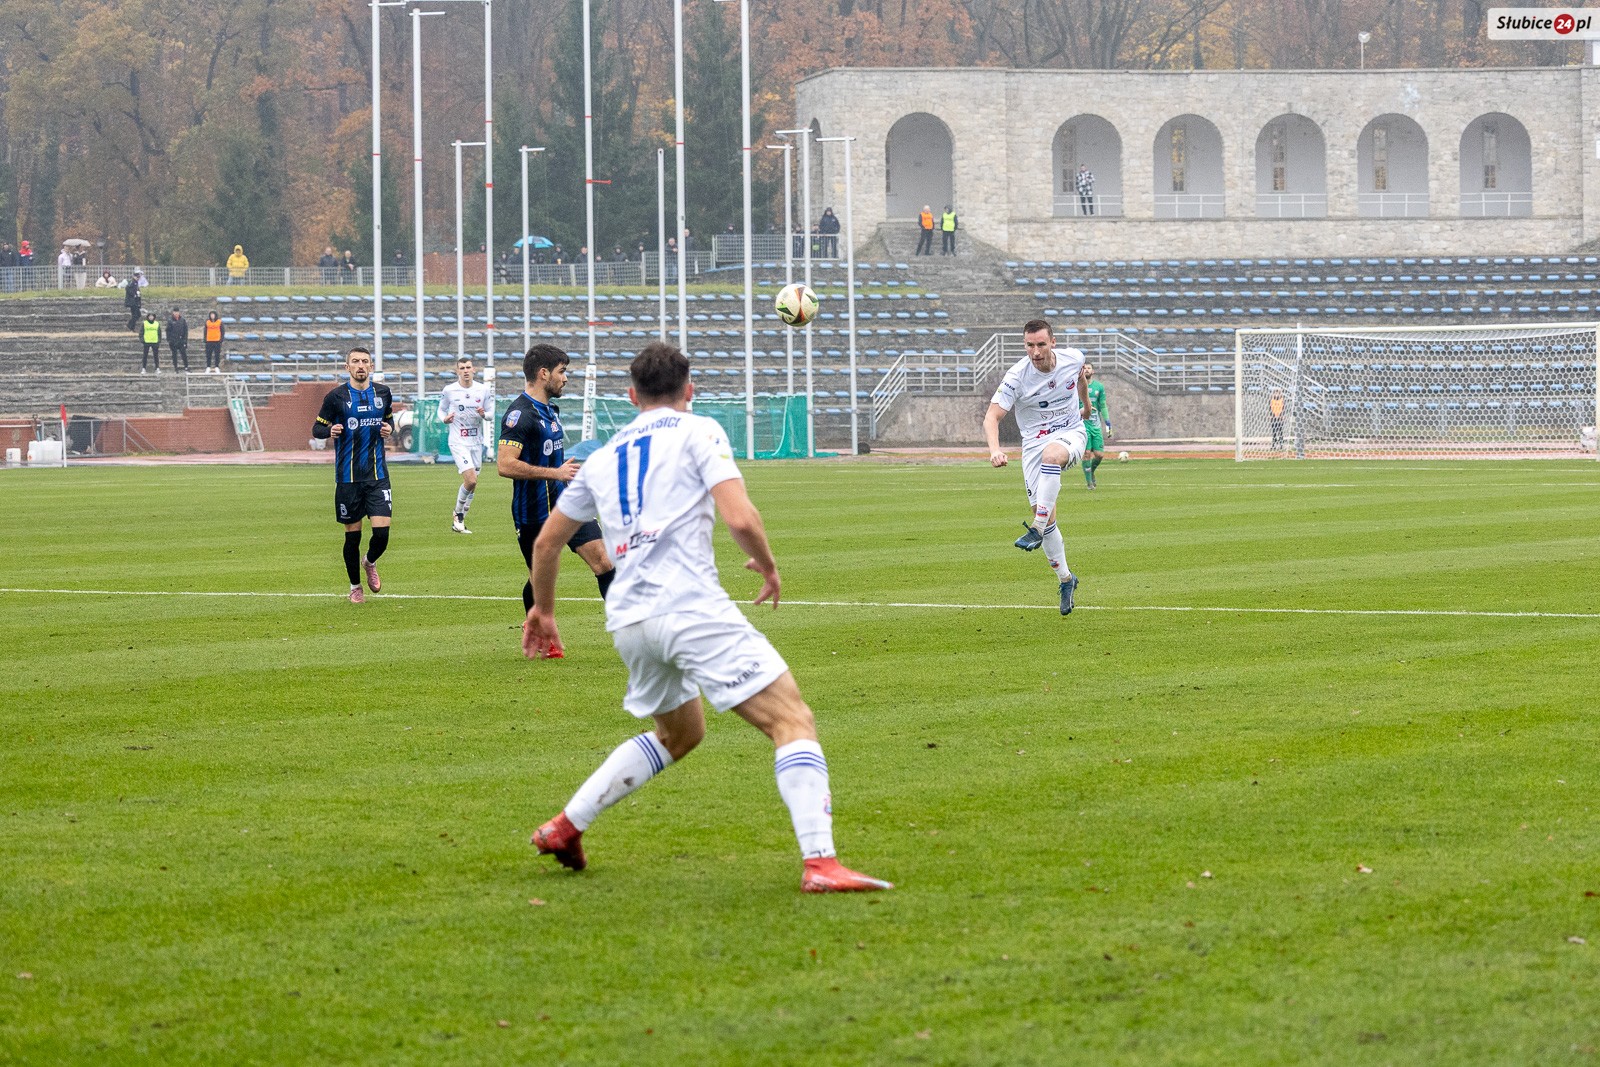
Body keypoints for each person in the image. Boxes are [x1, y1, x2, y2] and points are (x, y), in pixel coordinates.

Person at [521, 341, 893, 895]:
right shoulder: (699, 431)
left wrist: (545, 610)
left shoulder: (603, 456)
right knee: (791, 720)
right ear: (689, 391)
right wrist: (768, 566)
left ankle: (566, 826)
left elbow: (548, 543)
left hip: (629, 619)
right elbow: (739, 517)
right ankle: (821, 864)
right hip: (689, 606)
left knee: (680, 733)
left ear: (632, 397)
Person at [496, 344, 615, 638]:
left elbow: (550, 459)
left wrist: (568, 475)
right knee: (540, 578)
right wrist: (555, 473)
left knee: (603, 560)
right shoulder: (519, 415)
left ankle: (630, 627)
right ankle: (535, 627)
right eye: (562, 372)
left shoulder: (551, 411)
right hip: (532, 512)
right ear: (543, 373)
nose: (565, 378)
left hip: (567, 505)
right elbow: (505, 465)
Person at [982, 318, 1090, 616]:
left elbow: (1080, 377)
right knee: (1046, 511)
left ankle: (1036, 528)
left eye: (1041, 344)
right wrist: (995, 450)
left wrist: (1086, 407)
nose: (1036, 351)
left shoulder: (1073, 357)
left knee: (1052, 457)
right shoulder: (1016, 376)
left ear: (1053, 342)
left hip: (1070, 433)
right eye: (1030, 345)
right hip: (1033, 445)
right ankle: (1066, 579)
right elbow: (992, 417)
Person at [310, 347, 395, 604]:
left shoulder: (383, 393)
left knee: (382, 535)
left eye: (365, 361)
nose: (360, 365)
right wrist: (330, 431)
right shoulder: (336, 397)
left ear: (371, 366)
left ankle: (369, 561)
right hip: (348, 478)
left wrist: (389, 429)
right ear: (347, 367)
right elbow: (317, 429)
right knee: (353, 536)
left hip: (377, 475)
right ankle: (355, 586)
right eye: (355, 361)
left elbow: (388, 421)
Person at [437, 357, 494, 534]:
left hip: (476, 442)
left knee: (473, 483)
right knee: (471, 480)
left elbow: (491, 414)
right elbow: (441, 409)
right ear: (457, 371)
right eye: (462, 368)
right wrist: (444, 419)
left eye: (468, 367)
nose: (465, 370)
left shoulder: (483, 390)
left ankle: (460, 519)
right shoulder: (449, 390)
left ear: (474, 369)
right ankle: (458, 514)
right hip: (458, 441)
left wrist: (484, 414)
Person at [1081, 362, 1112, 489]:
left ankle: (1091, 471)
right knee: (1087, 453)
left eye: (1089, 368)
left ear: (1093, 371)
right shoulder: (1076, 386)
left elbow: (1103, 405)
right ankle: (1089, 483)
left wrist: (1108, 422)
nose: (1086, 370)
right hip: (1082, 425)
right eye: (1084, 368)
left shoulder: (1099, 387)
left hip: (1096, 425)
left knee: (1099, 455)